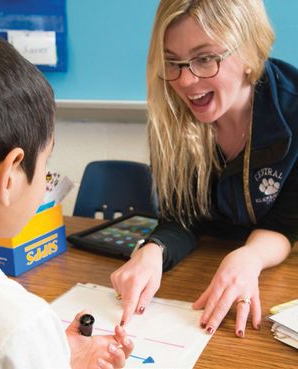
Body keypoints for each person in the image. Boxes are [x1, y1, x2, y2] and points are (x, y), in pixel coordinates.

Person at [111, 0, 298, 338]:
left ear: (250, 50)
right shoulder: (170, 113)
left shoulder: (294, 109)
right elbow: (183, 217)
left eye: (204, 58)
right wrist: (153, 251)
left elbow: (286, 226)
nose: (185, 80)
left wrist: (250, 257)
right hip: (199, 276)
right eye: (172, 62)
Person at [0, 24, 133, 369]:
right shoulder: (21, 326)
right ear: (9, 177)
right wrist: (40, 348)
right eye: (47, 162)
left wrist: (54, 356)